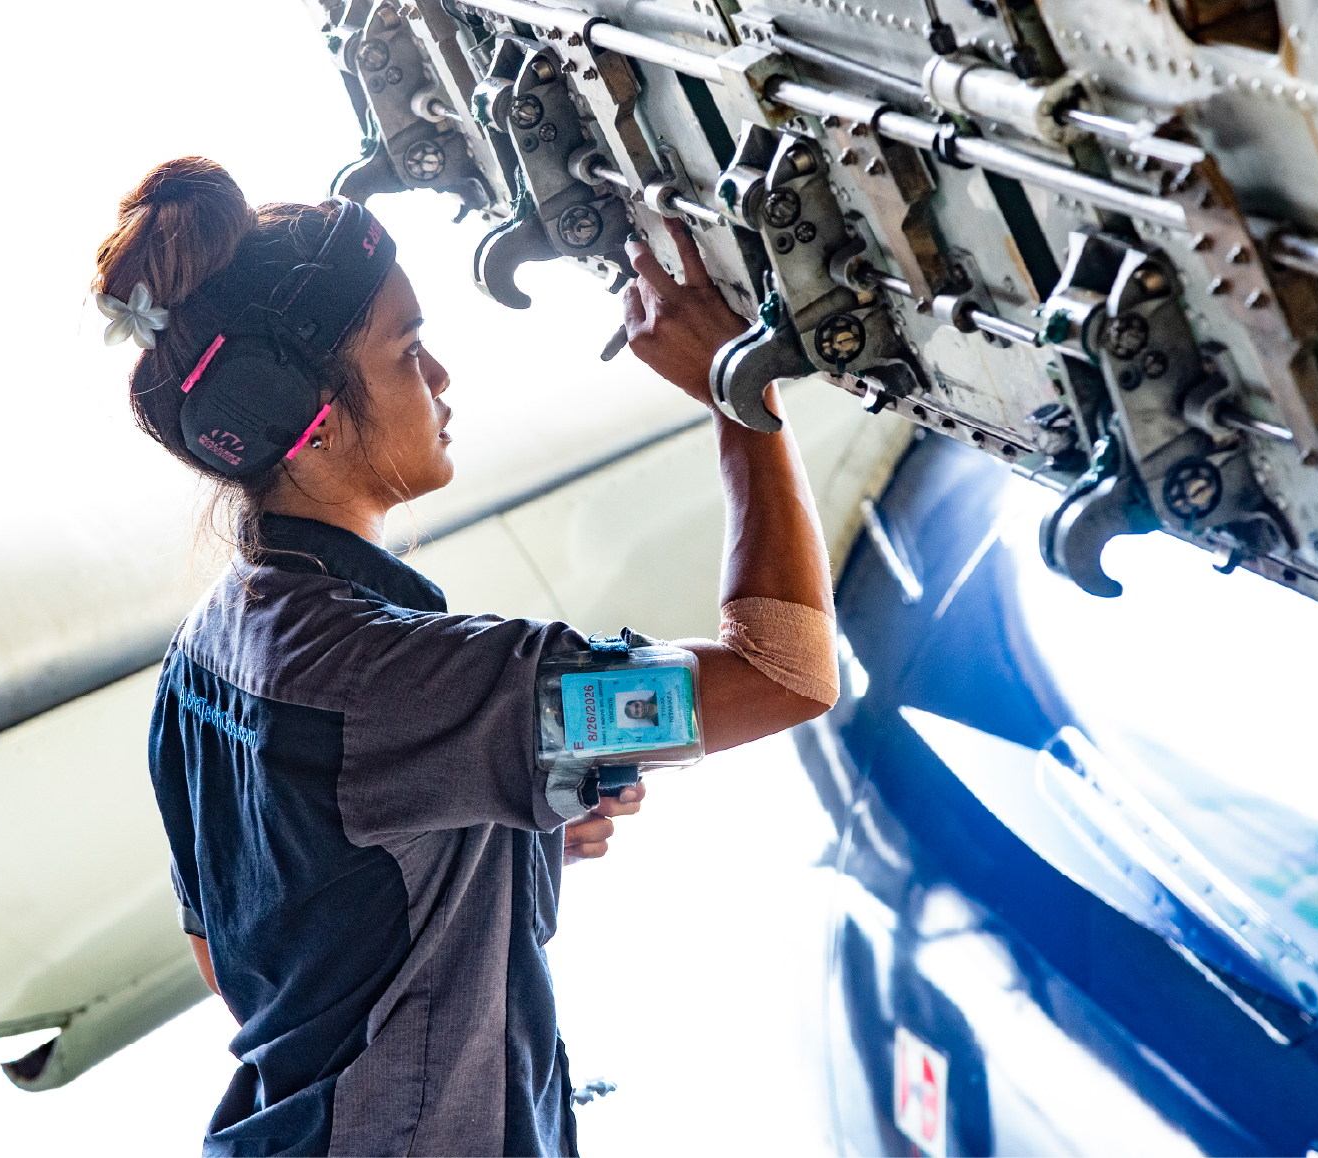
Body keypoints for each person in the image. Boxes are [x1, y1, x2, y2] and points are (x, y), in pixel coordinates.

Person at [93, 156, 839, 1158]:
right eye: (407, 352)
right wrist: (735, 398)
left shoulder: (205, 658)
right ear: (305, 422)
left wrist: (475, 850)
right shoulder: (397, 681)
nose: (438, 377)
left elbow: (232, 951)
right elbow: (784, 671)